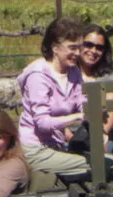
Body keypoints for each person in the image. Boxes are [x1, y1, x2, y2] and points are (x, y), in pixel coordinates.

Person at [17, 16, 89, 176]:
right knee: (94, 165)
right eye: (72, 48)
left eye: (79, 47)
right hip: (35, 147)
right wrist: (78, 117)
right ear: (55, 48)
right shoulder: (38, 76)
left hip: (57, 144)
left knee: (104, 160)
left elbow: (82, 101)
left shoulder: (74, 72)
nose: (77, 53)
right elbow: (42, 123)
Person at [80, 24, 113, 151]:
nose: (93, 51)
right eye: (88, 45)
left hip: (100, 135)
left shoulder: (110, 78)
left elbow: (107, 121)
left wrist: (95, 139)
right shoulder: (68, 74)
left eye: (99, 47)